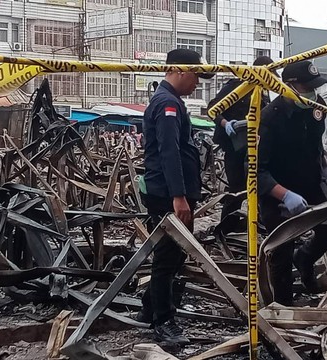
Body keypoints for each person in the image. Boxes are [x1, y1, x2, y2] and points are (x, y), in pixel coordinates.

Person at [137, 48, 214, 344]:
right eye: (195, 76)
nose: (197, 83)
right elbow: (170, 152)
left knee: (171, 254)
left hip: (168, 191)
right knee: (168, 257)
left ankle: (150, 308)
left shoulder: (171, 101)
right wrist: (179, 197)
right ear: (180, 71)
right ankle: (163, 321)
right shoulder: (167, 103)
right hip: (167, 193)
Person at [258, 60, 327, 306]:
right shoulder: (270, 117)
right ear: (290, 86)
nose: (313, 92)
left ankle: (304, 258)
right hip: (278, 189)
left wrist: (325, 170)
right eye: (308, 87)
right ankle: (283, 309)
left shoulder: (317, 107)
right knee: (281, 251)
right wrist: (284, 195)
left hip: (311, 182)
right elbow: (255, 171)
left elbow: (316, 144)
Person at [208, 56, 274, 219]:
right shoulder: (237, 86)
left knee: (257, 185)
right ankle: (226, 226)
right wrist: (225, 123)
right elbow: (213, 108)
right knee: (237, 188)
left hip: (254, 146)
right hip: (233, 144)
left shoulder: (262, 92)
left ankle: (255, 222)